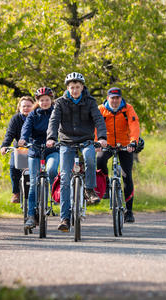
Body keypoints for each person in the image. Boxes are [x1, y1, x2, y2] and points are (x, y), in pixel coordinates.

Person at [46, 72, 107, 232]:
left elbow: (98, 119)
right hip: (66, 142)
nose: (74, 90)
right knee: (65, 178)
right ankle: (64, 218)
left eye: (77, 87)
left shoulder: (90, 102)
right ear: (68, 88)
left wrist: (101, 137)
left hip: (86, 140)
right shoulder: (60, 102)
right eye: (72, 87)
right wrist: (51, 137)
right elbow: (53, 121)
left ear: (82, 87)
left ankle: (89, 189)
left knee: (89, 156)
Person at [96, 87, 140, 223]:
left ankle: (129, 211)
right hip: (106, 144)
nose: (115, 101)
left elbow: (134, 125)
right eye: (112, 98)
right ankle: (106, 184)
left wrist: (133, 142)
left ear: (120, 98)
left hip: (125, 145)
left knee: (127, 176)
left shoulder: (128, 108)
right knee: (100, 161)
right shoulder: (101, 109)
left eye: (117, 98)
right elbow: (96, 126)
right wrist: (96, 142)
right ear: (108, 98)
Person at [18, 88, 59, 229]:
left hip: (52, 150)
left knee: (52, 170)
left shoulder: (56, 112)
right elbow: (26, 128)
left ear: (51, 100)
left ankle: (52, 194)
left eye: (47, 99)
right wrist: (23, 139)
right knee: (34, 183)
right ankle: (31, 215)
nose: (44, 102)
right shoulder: (33, 114)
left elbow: (61, 127)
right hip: (35, 150)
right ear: (38, 101)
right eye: (41, 100)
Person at [0, 96, 35, 203]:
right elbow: (9, 134)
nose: (26, 108)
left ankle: (40, 193)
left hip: (35, 147)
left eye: (29, 106)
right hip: (20, 148)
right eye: (24, 106)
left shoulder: (37, 117)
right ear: (19, 107)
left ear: (33, 107)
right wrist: (4, 145)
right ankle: (16, 193)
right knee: (13, 166)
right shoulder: (15, 119)